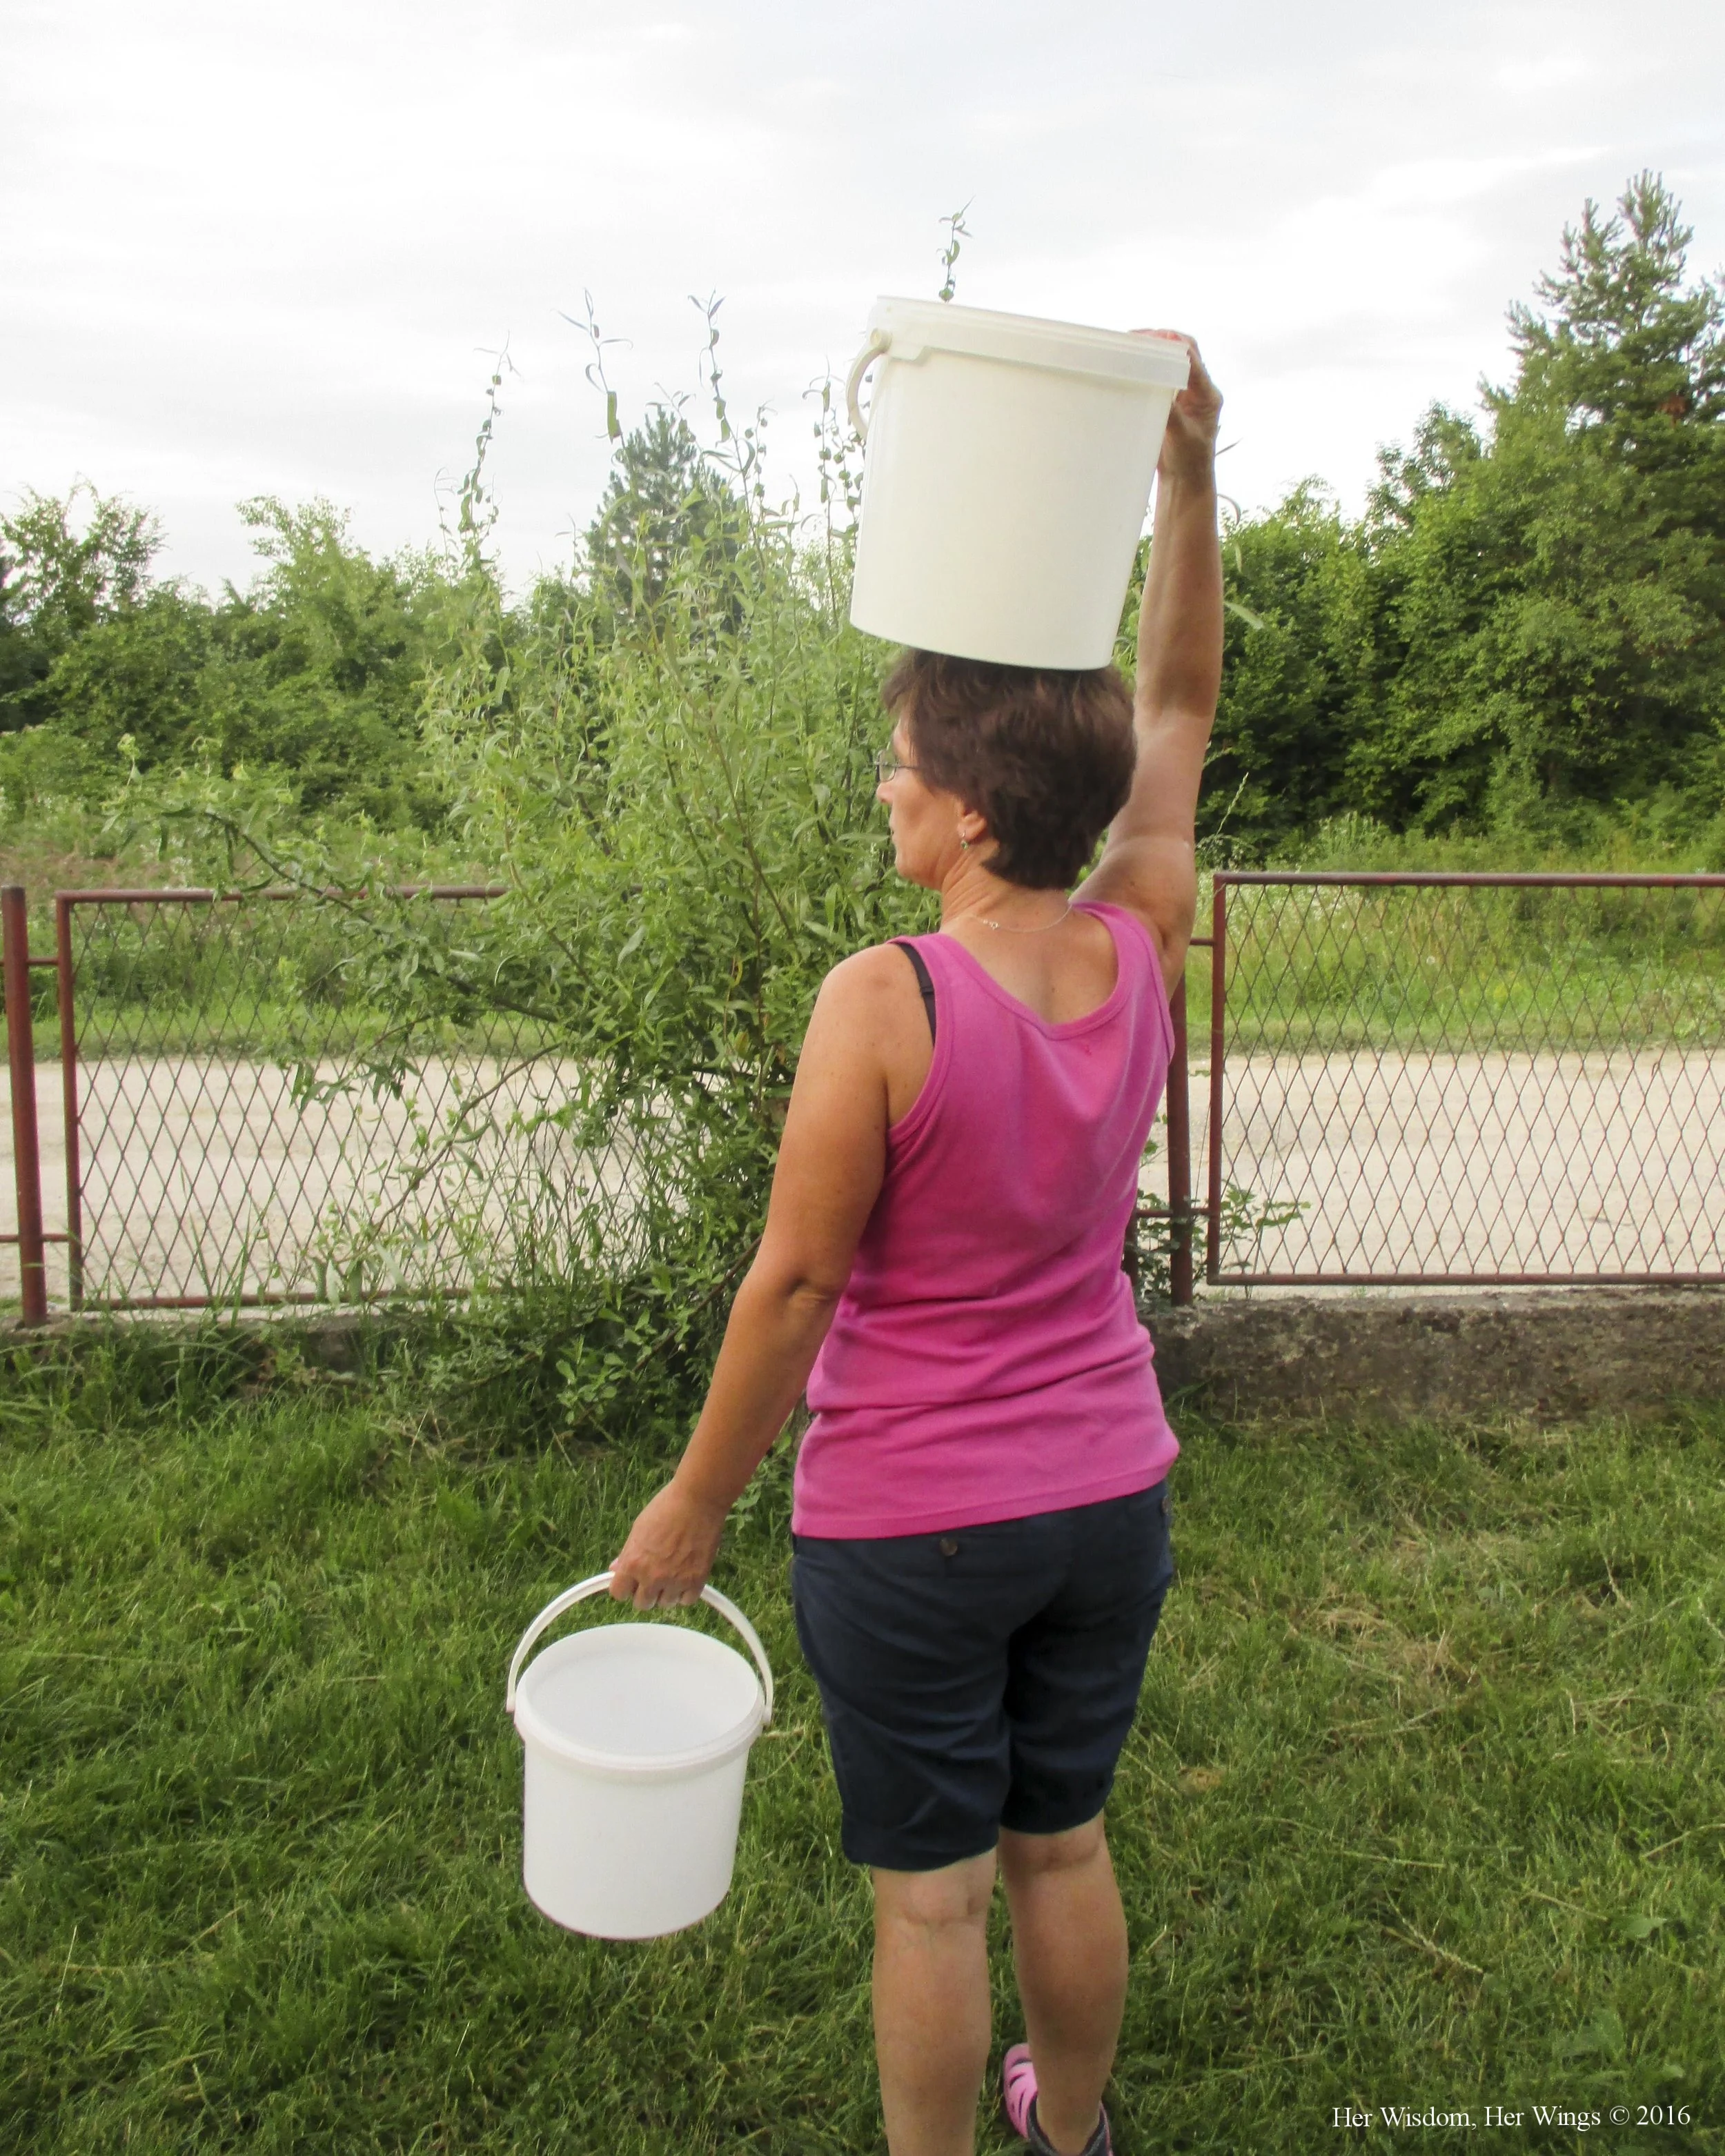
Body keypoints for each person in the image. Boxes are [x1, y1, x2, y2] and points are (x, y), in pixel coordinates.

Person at [609, 334, 1224, 2156]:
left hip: (912, 1524)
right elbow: (1177, 712)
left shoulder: (881, 1001)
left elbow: (792, 1287)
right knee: (1066, 1838)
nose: (881, 789)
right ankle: (1076, 2128)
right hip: (1107, 1495)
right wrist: (1190, 478)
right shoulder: (1136, 941)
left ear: (965, 807)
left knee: (932, 1894)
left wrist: (693, 1500)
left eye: (895, 768)